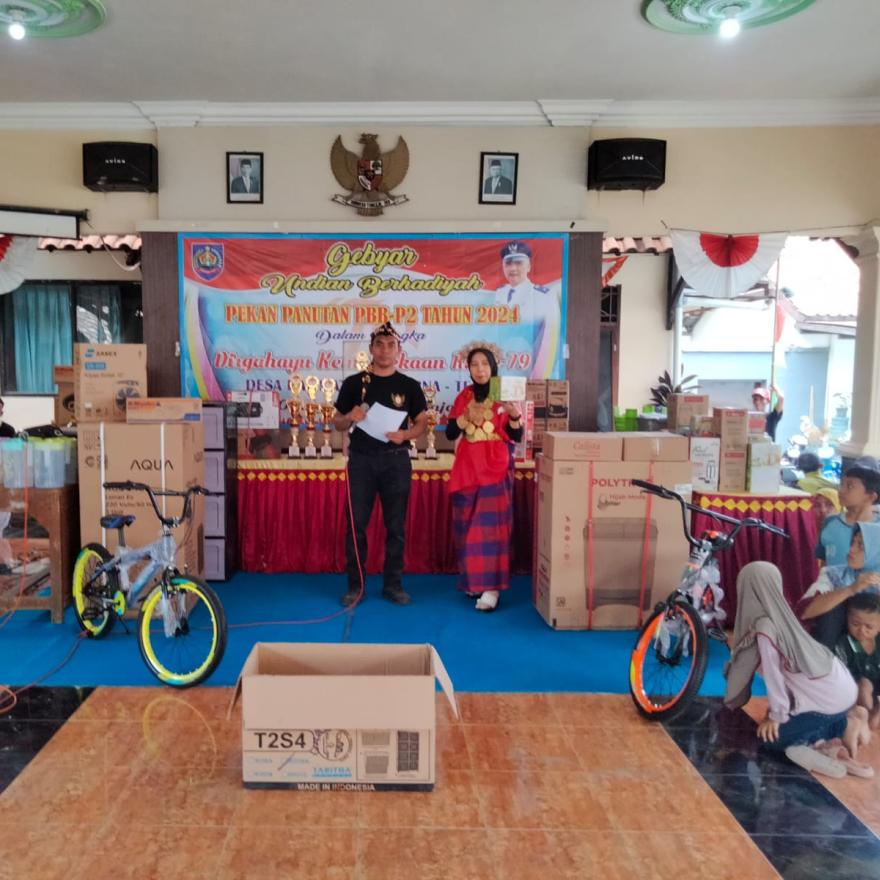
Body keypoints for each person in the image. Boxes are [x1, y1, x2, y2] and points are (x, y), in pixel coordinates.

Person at [724, 561, 869, 777]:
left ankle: (837, 730)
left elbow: (774, 676)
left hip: (829, 697)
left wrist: (777, 716)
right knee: (776, 725)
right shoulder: (782, 613)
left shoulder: (765, 627)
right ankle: (844, 721)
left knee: (770, 741)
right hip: (839, 684)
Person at [332, 322, 427, 607]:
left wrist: (406, 435)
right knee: (356, 526)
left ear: (399, 351)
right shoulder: (354, 383)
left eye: (391, 345)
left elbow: (422, 423)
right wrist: (349, 416)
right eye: (379, 345)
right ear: (371, 349)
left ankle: (393, 585)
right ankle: (356, 586)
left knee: (395, 527)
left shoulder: (409, 386)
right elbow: (337, 422)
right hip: (361, 461)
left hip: (396, 461)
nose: (385, 351)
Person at [445, 346, 523, 612]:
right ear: (468, 369)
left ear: (493, 366)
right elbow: (451, 432)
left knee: (491, 530)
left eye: (484, 364)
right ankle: (474, 580)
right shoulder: (464, 396)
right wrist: (465, 417)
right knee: (467, 527)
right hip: (467, 469)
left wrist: (514, 415)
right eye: (474, 364)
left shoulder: (503, 395)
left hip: (495, 468)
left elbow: (516, 436)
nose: (480, 370)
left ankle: (491, 588)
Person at [802, 522, 880, 648]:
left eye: (860, 545)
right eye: (852, 542)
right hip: (831, 651)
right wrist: (850, 589)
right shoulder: (834, 575)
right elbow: (805, 612)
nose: (851, 550)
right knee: (833, 605)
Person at [493, 240, 562, 379]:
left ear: (529, 266)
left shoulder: (544, 296)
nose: (513, 268)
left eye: (518, 263)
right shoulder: (499, 294)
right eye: (508, 263)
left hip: (529, 372)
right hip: (501, 371)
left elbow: (550, 341)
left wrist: (538, 379)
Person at [815, 465, 880, 567]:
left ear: (870, 497)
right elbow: (825, 562)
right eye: (841, 485)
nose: (841, 491)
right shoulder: (830, 522)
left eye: (850, 486)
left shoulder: (877, 528)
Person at [835, 592, 880, 730]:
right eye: (855, 624)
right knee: (865, 685)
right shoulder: (844, 643)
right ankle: (867, 715)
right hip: (856, 688)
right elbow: (841, 675)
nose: (862, 630)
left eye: (869, 627)